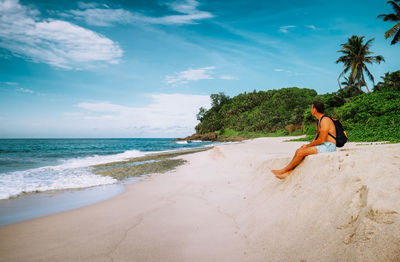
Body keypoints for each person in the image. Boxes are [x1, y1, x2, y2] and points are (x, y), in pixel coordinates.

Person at [271, 101, 337, 179]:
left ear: (314, 109)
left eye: (311, 108)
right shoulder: (319, 121)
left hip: (329, 146)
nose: (311, 110)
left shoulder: (325, 120)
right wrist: (306, 145)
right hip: (323, 145)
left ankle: (283, 170)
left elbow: (322, 139)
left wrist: (308, 146)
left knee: (301, 152)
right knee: (299, 150)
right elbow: (316, 138)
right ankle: (289, 172)